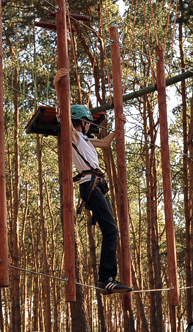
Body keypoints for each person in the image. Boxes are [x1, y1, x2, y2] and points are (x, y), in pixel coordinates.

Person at [54, 68, 132, 295]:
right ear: (83, 122)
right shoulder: (74, 135)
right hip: (90, 185)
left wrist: (120, 126)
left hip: (96, 186)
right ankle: (106, 279)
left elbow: (106, 143)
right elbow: (64, 115)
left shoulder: (86, 139)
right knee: (112, 230)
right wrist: (57, 83)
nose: (90, 126)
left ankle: (107, 279)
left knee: (112, 230)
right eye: (88, 123)